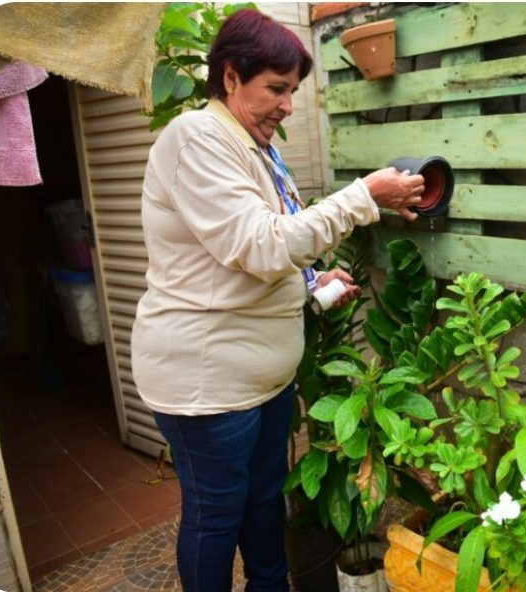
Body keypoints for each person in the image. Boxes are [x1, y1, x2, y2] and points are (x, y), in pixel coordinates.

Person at [130, 8, 424, 592]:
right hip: (207, 386)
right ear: (231, 76)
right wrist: (364, 195)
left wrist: (313, 289)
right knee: (217, 516)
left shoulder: (255, 148)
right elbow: (260, 247)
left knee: (264, 506)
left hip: (260, 382)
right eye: (277, 89)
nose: (288, 105)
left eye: (293, 91)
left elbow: (242, 269)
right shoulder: (196, 139)